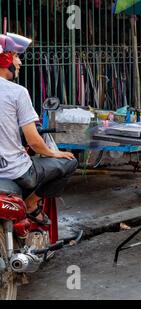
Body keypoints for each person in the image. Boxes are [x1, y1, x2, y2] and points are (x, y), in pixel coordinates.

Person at [0, 33, 77, 225]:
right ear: (5, 58)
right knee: (69, 162)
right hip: (17, 173)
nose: (20, 62)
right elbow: (34, 142)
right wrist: (54, 153)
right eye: (16, 56)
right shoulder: (17, 92)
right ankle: (32, 204)